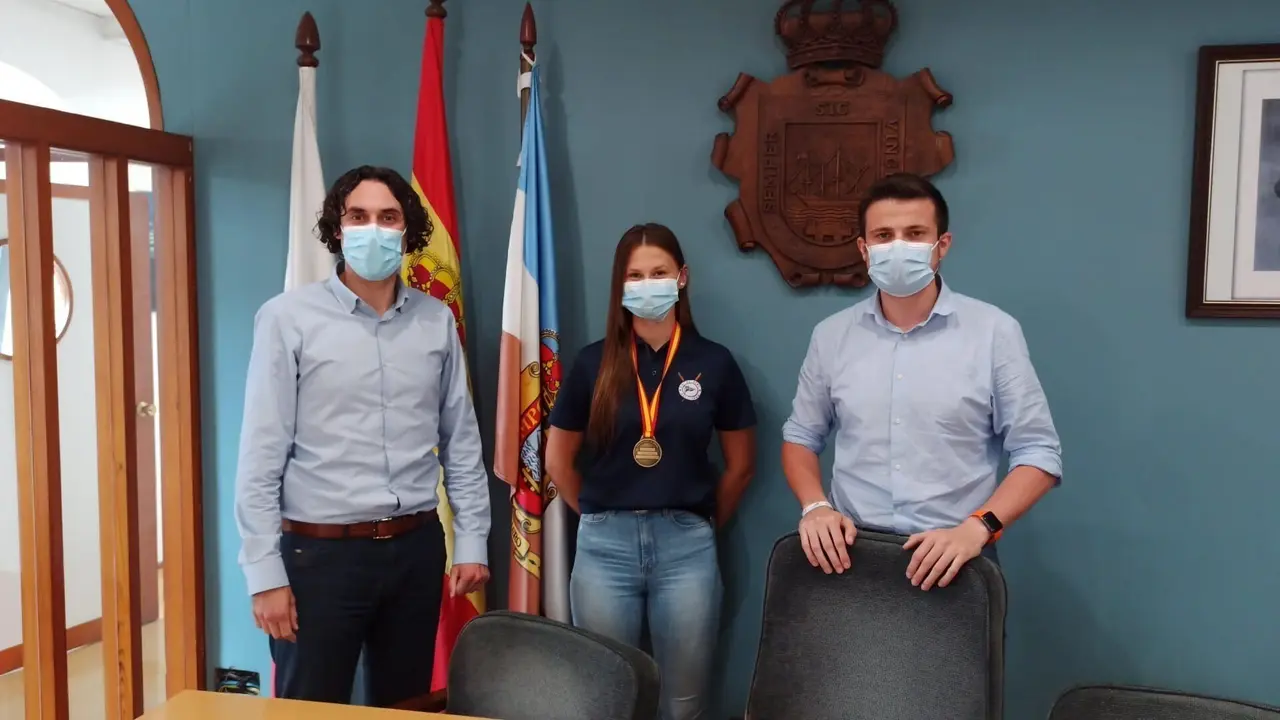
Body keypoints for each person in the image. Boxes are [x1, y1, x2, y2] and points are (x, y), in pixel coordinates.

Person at [234, 165, 491, 706]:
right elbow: (261, 454)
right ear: (337, 227)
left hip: (416, 551)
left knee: (405, 708)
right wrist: (264, 574)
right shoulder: (287, 320)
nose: (373, 228)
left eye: (388, 217)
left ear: (407, 231)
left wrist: (471, 539)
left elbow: (461, 442)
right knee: (311, 710)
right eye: (358, 216)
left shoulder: (435, 321)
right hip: (319, 558)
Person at [782, 172, 1062, 591]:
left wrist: (978, 528)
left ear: (941, 245)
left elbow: (1039, 453)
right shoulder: (831, 336)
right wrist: (815, 506)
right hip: (850, 555)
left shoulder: (993, 332)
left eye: (914, 233)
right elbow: (801, 436)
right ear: (864, 249)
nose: (898, 245)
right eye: (883, 234)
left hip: (957, 558)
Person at [545, 223, 756, 720]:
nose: (647, 284)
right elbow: (557, 461)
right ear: (619, 286)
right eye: (634, 275)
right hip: (604, 549)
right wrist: (602, 514)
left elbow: (742, 466)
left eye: (658, 272)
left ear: (681, 277)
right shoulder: (592, 362)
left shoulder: (714, 363)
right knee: (605, 698)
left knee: (682, 703)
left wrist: (695, 523)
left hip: (687, 548)